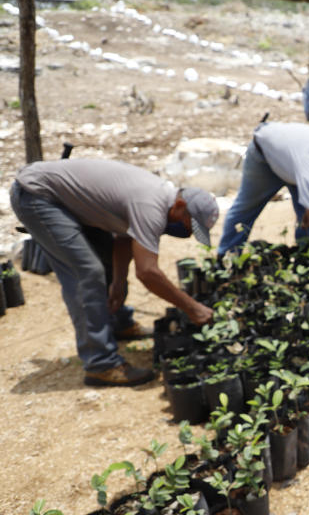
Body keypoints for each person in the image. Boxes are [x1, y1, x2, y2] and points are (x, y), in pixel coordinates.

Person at [10, 159, 219, 387]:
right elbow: (148, 272)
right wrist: (192, 307)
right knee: (87, 273)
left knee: (105, 260)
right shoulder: (151, 205)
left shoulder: (158, 199)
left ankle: (117, 322)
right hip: (38, 196)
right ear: (179, 205)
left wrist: (118, 282)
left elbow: (123, 239)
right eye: (189, 224)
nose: (187, 231)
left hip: (61, 199)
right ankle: (101, 363)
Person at [218, 121, 309, 271]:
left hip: (296, 162)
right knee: (245, 209)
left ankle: (306, 258)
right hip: (265, 155)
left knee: (307, 218)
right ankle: (226, 260)